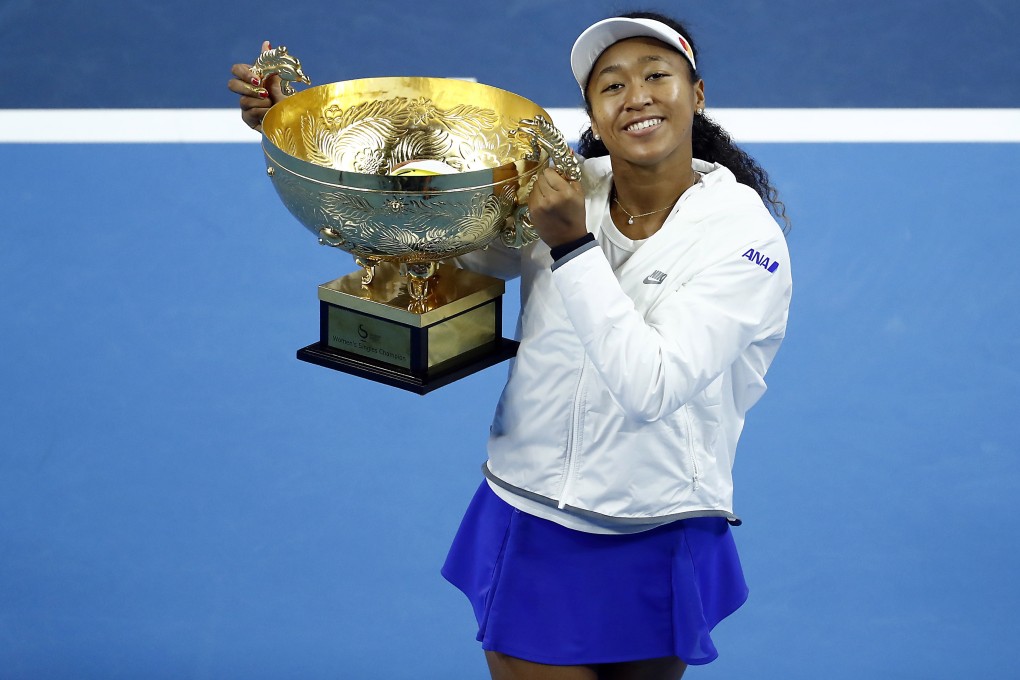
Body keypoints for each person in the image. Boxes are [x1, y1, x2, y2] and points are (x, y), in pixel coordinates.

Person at [229, 11, 791, 679]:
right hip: (533, 514)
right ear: (592, 114)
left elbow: (653, 387)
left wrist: (572, 247)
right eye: (610, 86)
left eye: (656, 76)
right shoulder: (563, 192)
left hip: (662, 522)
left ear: (695, 96)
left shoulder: (745, 242)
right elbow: (442, 242)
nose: (635, 95)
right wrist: (310, 136)